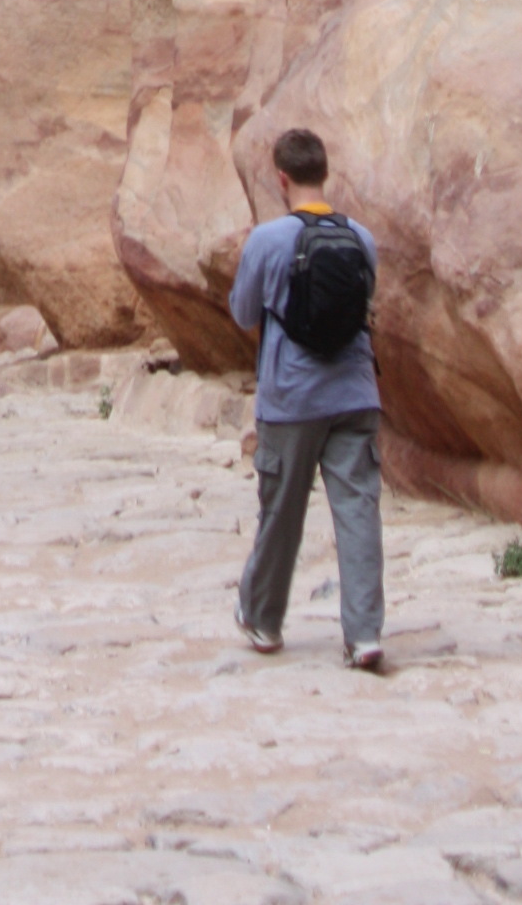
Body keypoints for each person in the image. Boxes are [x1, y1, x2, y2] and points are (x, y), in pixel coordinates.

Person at [227, 126, 384, 670]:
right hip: (355, 393)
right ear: (325, 173)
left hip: (291, 398)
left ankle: (263, 619)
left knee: (282, 512)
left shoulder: (267, 240)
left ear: (281, 178)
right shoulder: (361, 239)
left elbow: (243, 313)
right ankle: (364, 635)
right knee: (358, 512)